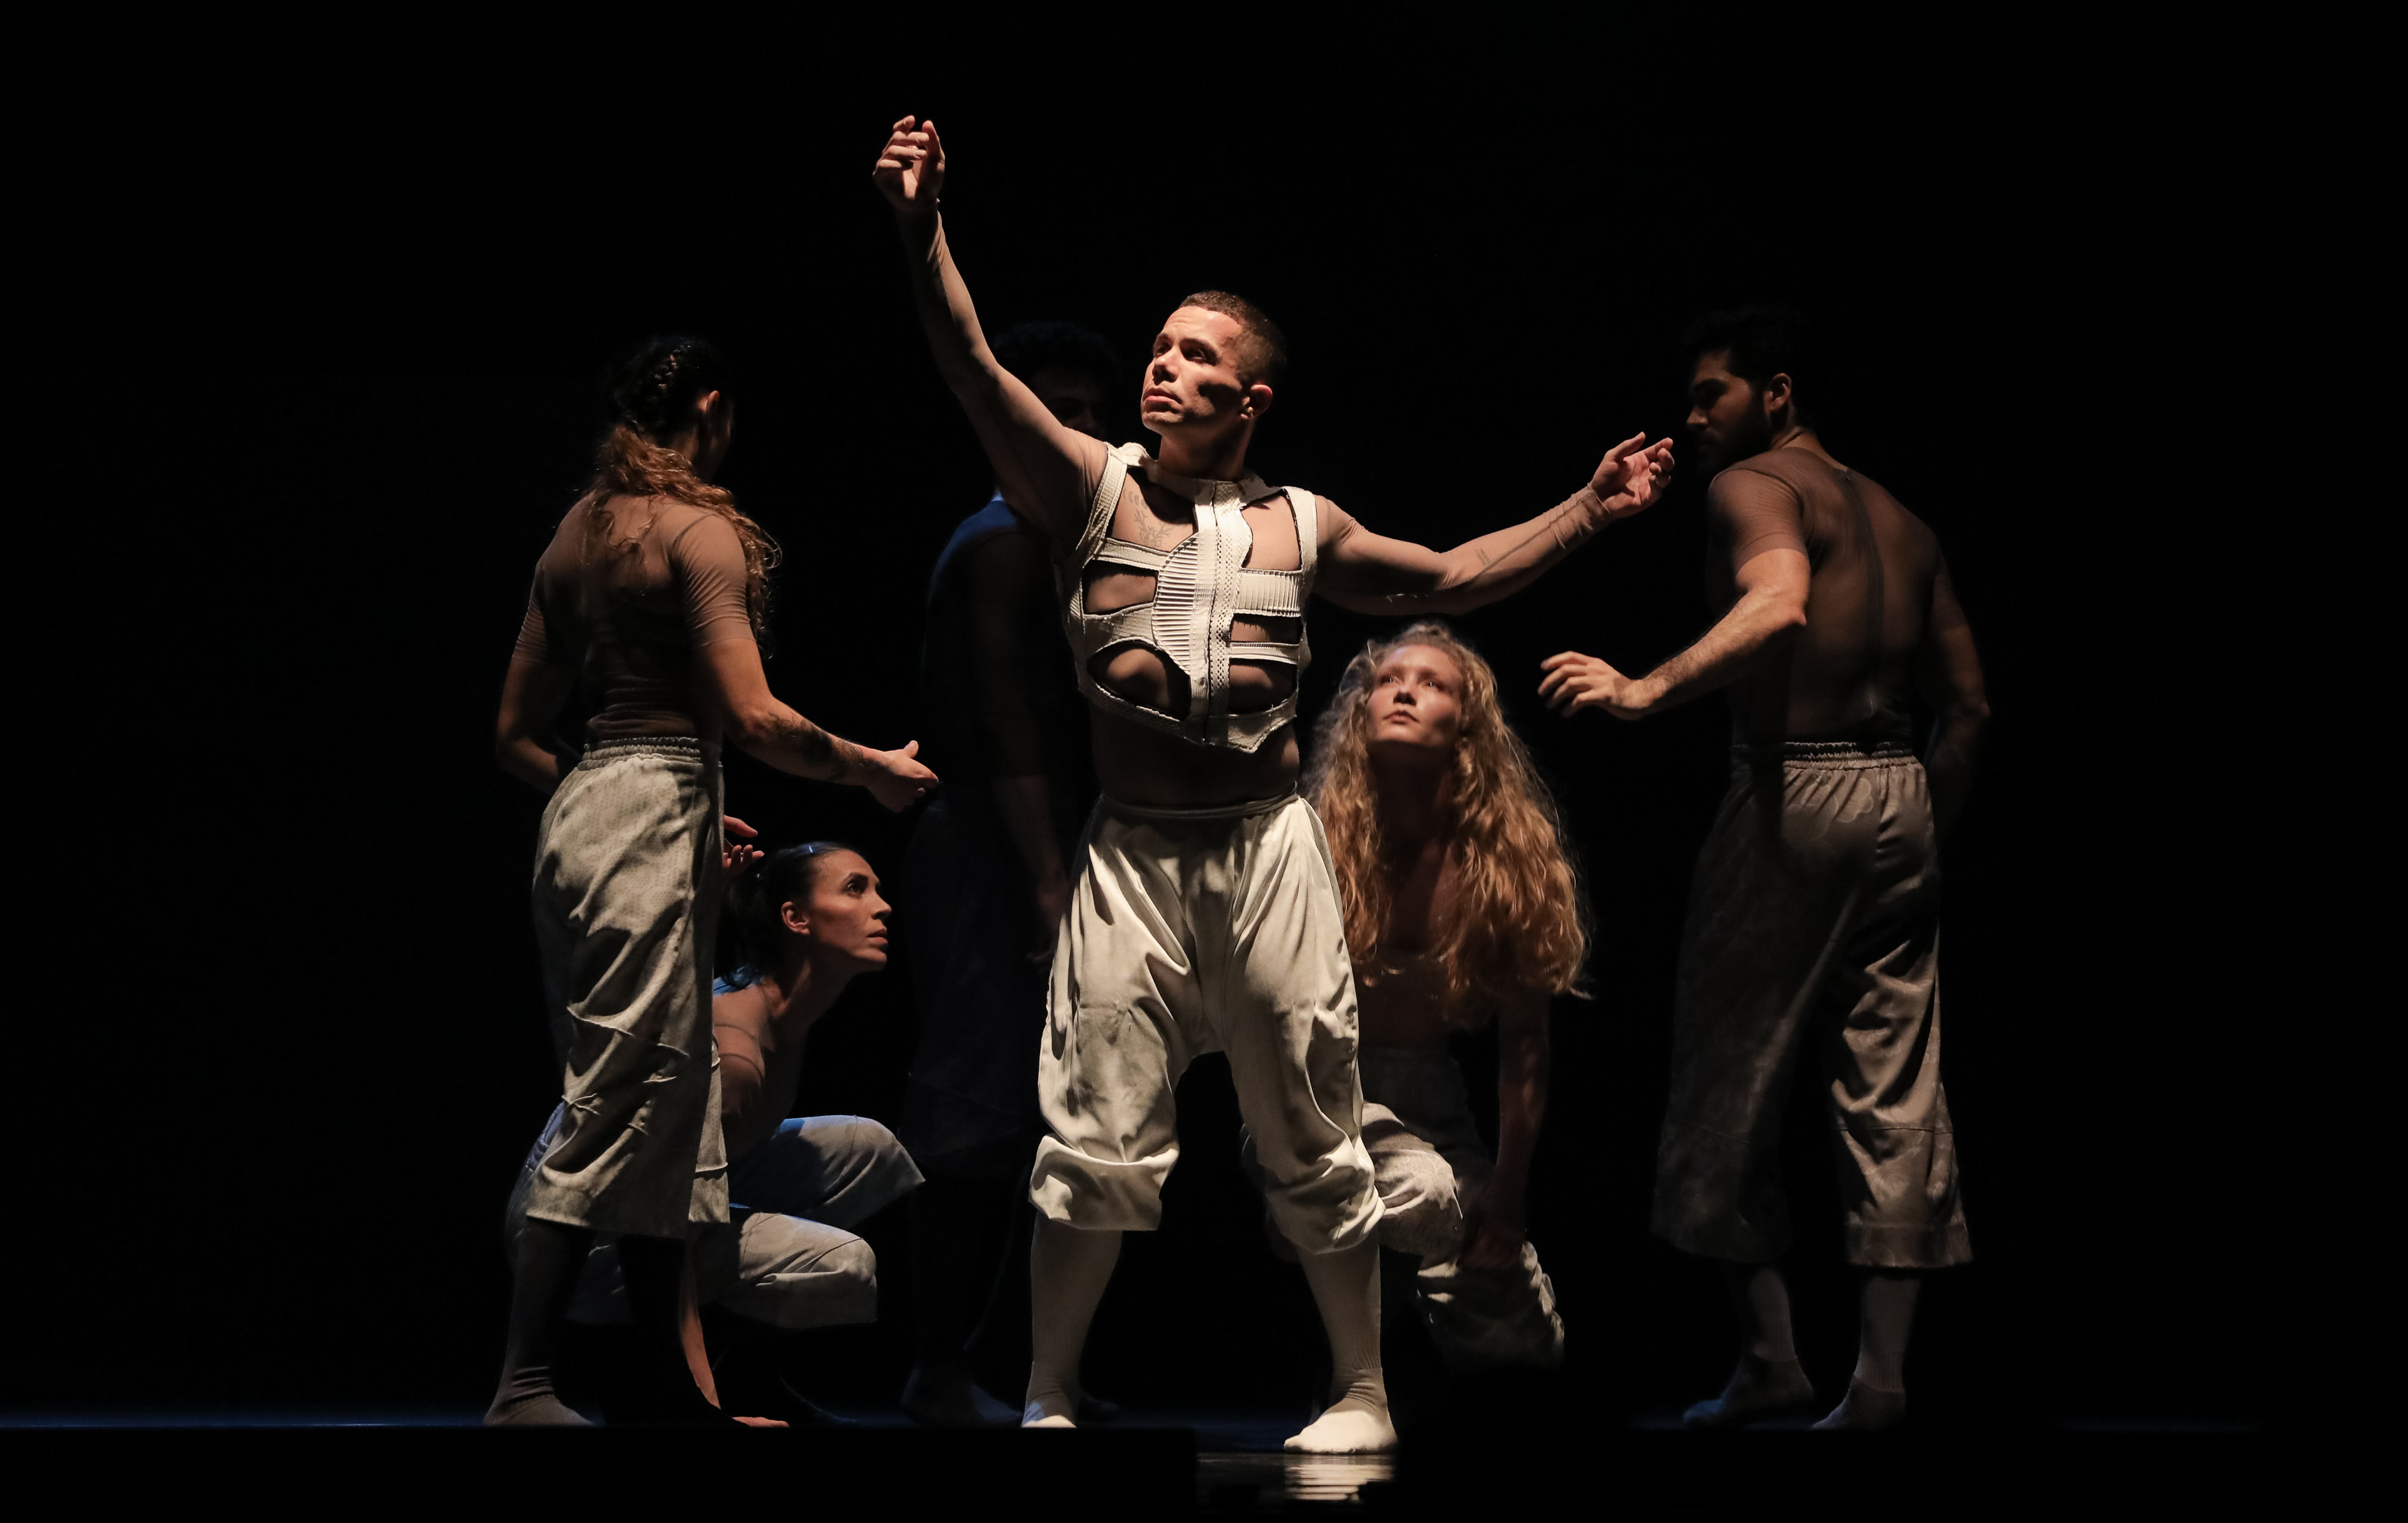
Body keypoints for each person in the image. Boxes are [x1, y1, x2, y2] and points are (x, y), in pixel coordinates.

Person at [871, 115, 1675, 1452]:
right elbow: (968, 364)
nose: (1163, 366)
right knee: (1096, 1137)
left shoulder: (1306, 525)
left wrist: (1587, 511)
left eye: (1198, 356)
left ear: (1250, 399)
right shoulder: (1085, 490)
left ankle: (1360, 1393)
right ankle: (1050, 1394)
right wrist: (923, 228)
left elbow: (1454, 578)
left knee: (1315, 1122)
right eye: (1161, 345)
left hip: (1266, 854)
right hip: (1133, 857)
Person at [1538, 306, 1990, 1431]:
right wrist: (1926, 827)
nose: (1692, 421)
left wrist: (1642, 690)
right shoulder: (1907, 520)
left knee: (1725, 1079)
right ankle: (1881, 1388)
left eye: (1710, 397)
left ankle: (1773, 1360)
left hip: (1795, 790)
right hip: (1901, 797)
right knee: (1895, 1093)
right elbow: (1973, 708)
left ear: (1776, 395)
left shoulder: (1755, 488)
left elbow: (1779, 604)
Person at [488, 336, 937, 1427]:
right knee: (621, 1100)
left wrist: (621, 797)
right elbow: (755, 718)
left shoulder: (572, 536)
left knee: (665, 1110)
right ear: (712, 409)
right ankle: (525, 1385)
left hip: (585, 809)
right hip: (649, 803)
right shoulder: (700, 532)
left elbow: (512, 738)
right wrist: (870, 767)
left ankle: (676, 1392)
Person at [895, 322, 1119, 1427]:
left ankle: (1018, 1364)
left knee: (1055, 1116)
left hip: (1026, 844)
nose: (1077, 433)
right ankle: (941, 1366)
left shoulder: (1046, 546)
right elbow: (1007, 729)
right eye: (1056, 410)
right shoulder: (1000, 546)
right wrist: (1043, 881)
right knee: (979, 1104)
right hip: (989, 852)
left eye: (1089, 413)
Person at [505, 840, 929, 1424]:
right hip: (592, 1236)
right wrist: (695, 1408)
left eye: (878, 889)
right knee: (843, 1267)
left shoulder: (781, 1008)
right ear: (795, 919)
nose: (882, 907)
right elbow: (660, 1227)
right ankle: (648, 1379)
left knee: (868, 1149)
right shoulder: (735, 1056)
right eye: (856, 889)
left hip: (651, 1204)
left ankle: (752, 1378)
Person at [1299, 622, 1588, 1375]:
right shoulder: (1312, 836)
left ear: (1467, 727)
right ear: (1362, 711)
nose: (1404, 691)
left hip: (1432, 1101)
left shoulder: (1505, 859)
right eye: (1391, 680)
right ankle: (1354, 1376)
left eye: (1433, 685)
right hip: (1321, 1094)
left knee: (1531, 1358)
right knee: (1422, 1193)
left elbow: (1526, 1042)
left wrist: (1507, 1190)